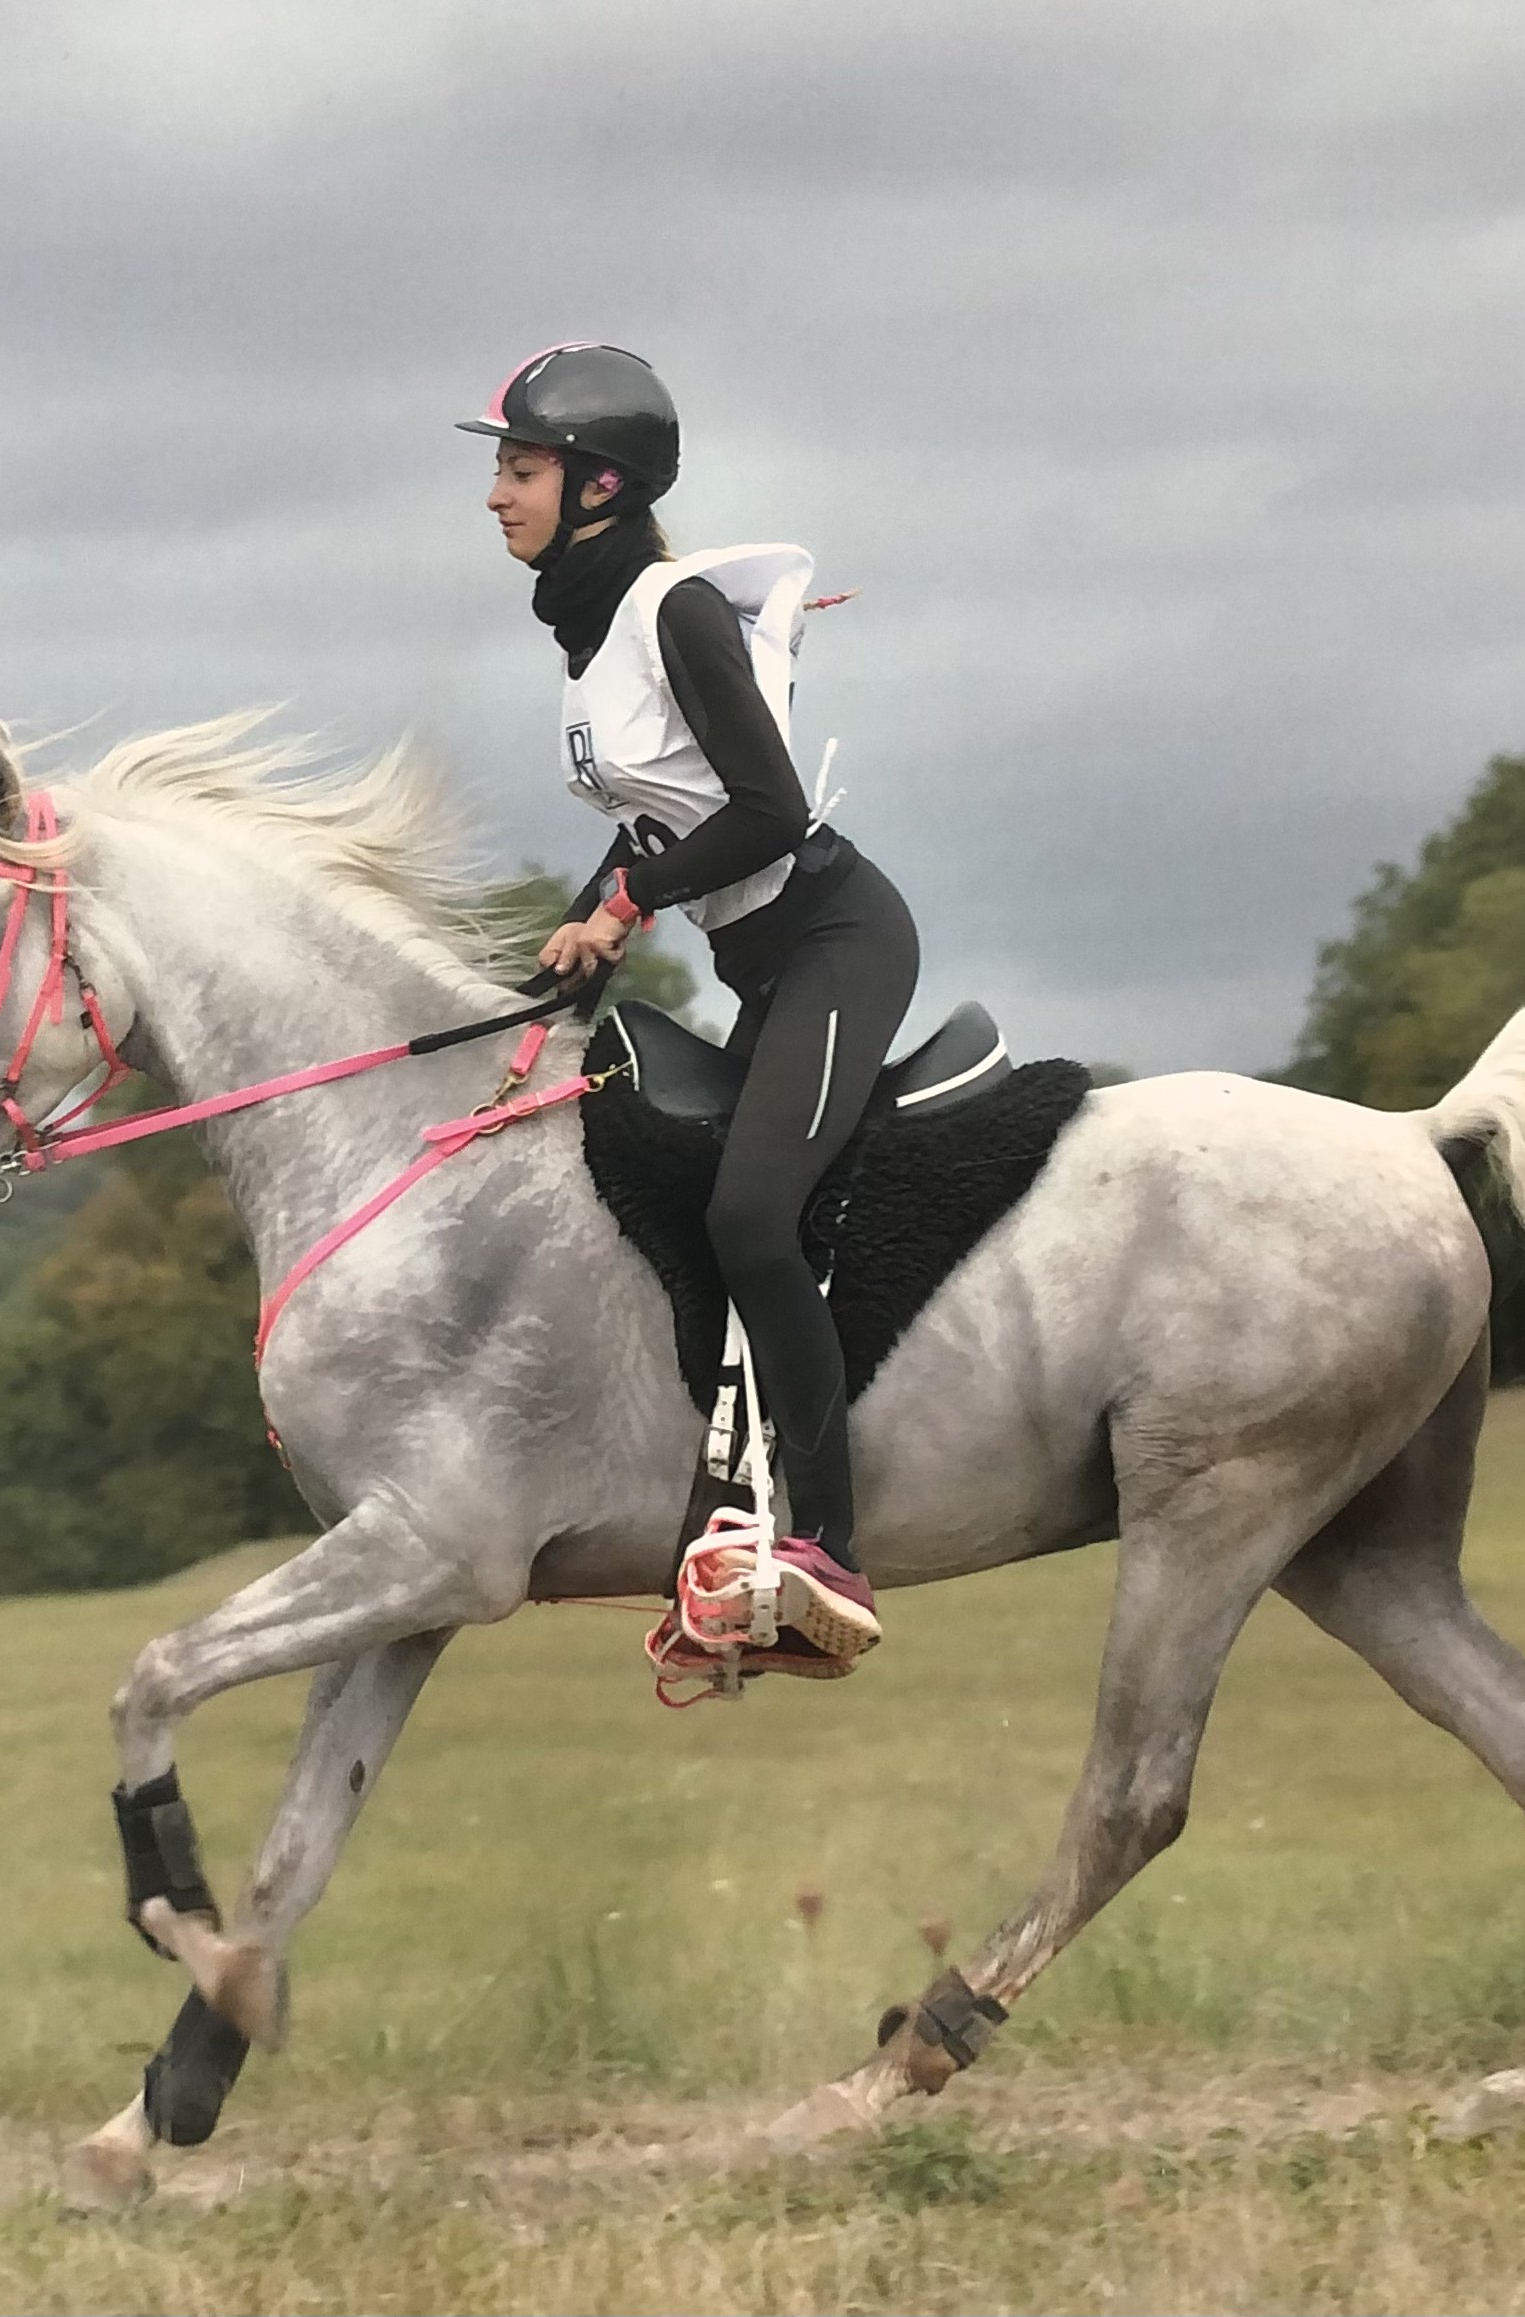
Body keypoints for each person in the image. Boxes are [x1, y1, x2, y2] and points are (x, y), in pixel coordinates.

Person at [463, 342, 920, 1678]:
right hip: (763, 966)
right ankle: (736, 1532)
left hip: (837, 942)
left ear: (599, 485)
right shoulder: (593, 637)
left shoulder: (673, 611)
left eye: (519, 469)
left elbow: (770, 809)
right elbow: (664, 819)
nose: (496, 494)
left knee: (749, 1218)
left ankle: (828, 1547)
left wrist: (628, 898)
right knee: (690, 1212)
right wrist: (568, 961)